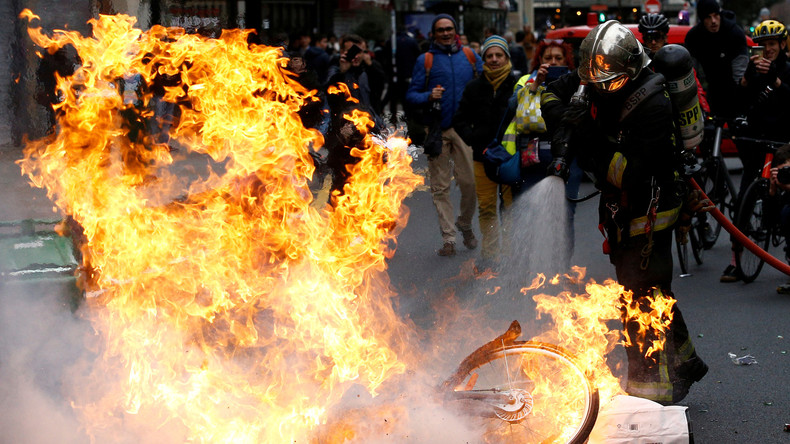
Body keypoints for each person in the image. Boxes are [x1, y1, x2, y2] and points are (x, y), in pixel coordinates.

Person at [546, 21, 708, 404]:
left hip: (650, 206)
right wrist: (564, 120)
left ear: (631, 70)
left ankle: (651, 391)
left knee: (640, 299)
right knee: (654, 290)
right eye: (594, 80)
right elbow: (553, 93)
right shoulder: (597, 75)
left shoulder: (651, 103)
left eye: (610, 83)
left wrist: (583, 130)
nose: (601, 89)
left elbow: (627, 173)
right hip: (621, 210)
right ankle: (687, 361)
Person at [406, 13, 482, 257]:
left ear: (455, 31)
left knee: (470, 183)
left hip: (464, 129)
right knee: (440, 188)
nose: (446, 33)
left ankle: (465, 223)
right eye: (441, 30)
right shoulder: (425, 60)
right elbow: (411, 95)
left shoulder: (470, 57)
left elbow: (486, 85)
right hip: (436, 129)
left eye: (449, 29)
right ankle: (449, 238)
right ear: (434, 34)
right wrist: (428, 96)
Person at [721, 19, 790, 282]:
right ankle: (735, 259)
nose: (768, 50)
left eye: (772, 44)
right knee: (744, 202)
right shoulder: (754, 70)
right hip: (757, 143)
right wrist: (745, 83)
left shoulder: (786, 70)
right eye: (763, 46)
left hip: (784, 146)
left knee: (786, 200)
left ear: (782, 45)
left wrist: (776, 79)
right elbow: (739, 103)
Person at [453, 36, 518, 264]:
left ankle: (511, 255)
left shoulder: (518, 85)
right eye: (489, 55)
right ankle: (490, 255)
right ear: (484, 59)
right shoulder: (474, 87)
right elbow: (459, 119)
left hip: (510, 158)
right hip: (482, 156)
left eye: (499, 55)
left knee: (510, 208)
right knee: (488, 208)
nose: (494, 59)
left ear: (506, 57)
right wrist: (473, 140)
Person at [684, 0, 748, 119]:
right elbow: (692, 73)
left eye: (716, 15)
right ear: (702, 20)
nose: (713, 21)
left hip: (734, 91)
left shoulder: (734, 33)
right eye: (708, 17)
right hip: (708, 91)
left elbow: (740, 73)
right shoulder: (694, 37)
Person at [638, 13, 710, 114]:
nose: (653, 42)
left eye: (657, 37)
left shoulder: (679, 60)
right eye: (649, 38)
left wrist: (704, 111)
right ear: (644, 40)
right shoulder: (639, 65)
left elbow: (695, 87)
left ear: (665, 38)